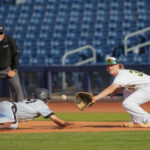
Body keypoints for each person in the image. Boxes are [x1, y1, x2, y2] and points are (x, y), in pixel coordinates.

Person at [93, 57, 150, 128]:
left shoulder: (121, 75)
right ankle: (137, 120)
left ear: (117, 66)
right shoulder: (124, 73)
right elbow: (132, 85)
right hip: (146, 86)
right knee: (126, 90)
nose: (110, 67)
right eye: (108, 66)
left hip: (148, 87)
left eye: (112, 65)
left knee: (127, 103)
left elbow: (110, 88)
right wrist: (117, 90)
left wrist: (95, 98)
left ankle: (148, 119)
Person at [0, 88, 71, 129]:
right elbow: (55, 119)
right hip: (9, 107)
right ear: (44, 98)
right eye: (48, 99)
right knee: (13, 125)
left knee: (9, 123)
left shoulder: (34, 102)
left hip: (6, 106)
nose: (48, 101)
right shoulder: (41, 104)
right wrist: (69, 125)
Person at [0, 24, 24, 102]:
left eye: (1, 33)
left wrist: (14, 69)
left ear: (3, 32)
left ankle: (21, 108)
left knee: (17, 88)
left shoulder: (9, 40)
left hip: (7, 69)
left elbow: (16, 54)